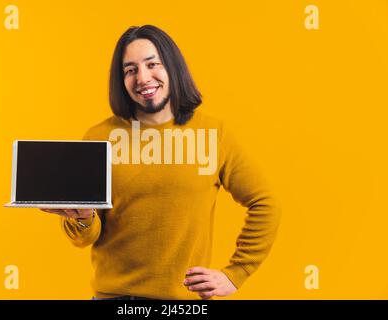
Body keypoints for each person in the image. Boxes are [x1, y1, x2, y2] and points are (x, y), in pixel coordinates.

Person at [40, 25, 281, 300]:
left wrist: (237, 272)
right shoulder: (99, 138)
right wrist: (83, 217)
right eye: (130, 70)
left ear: (172, 67)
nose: (143, 78)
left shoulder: (213, 135)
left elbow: (265, 203)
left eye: (152, 64)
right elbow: (83, 239)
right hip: (113, 298)